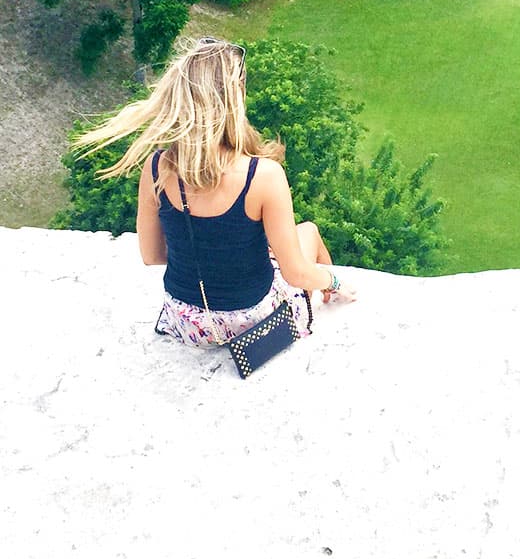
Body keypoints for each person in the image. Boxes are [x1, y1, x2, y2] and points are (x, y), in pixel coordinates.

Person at [75, 36, 356, 347]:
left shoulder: (156, 168)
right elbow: (296, 275)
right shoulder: (262, 175)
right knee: (310, 233)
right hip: (251, 323)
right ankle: (333, 295)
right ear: (233, 102)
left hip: (186, 322)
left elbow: (151, 255)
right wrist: (333, 280)